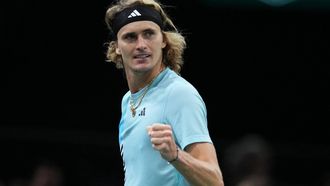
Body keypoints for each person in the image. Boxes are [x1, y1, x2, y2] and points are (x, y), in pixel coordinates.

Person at [104, 0, 224, 185]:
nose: (141, 44)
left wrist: (175, 155)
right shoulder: (128, 101)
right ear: (117, 47)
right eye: (130, 37)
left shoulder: (179, 94)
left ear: (163, 41)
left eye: (149, 34)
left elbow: (214, 181)